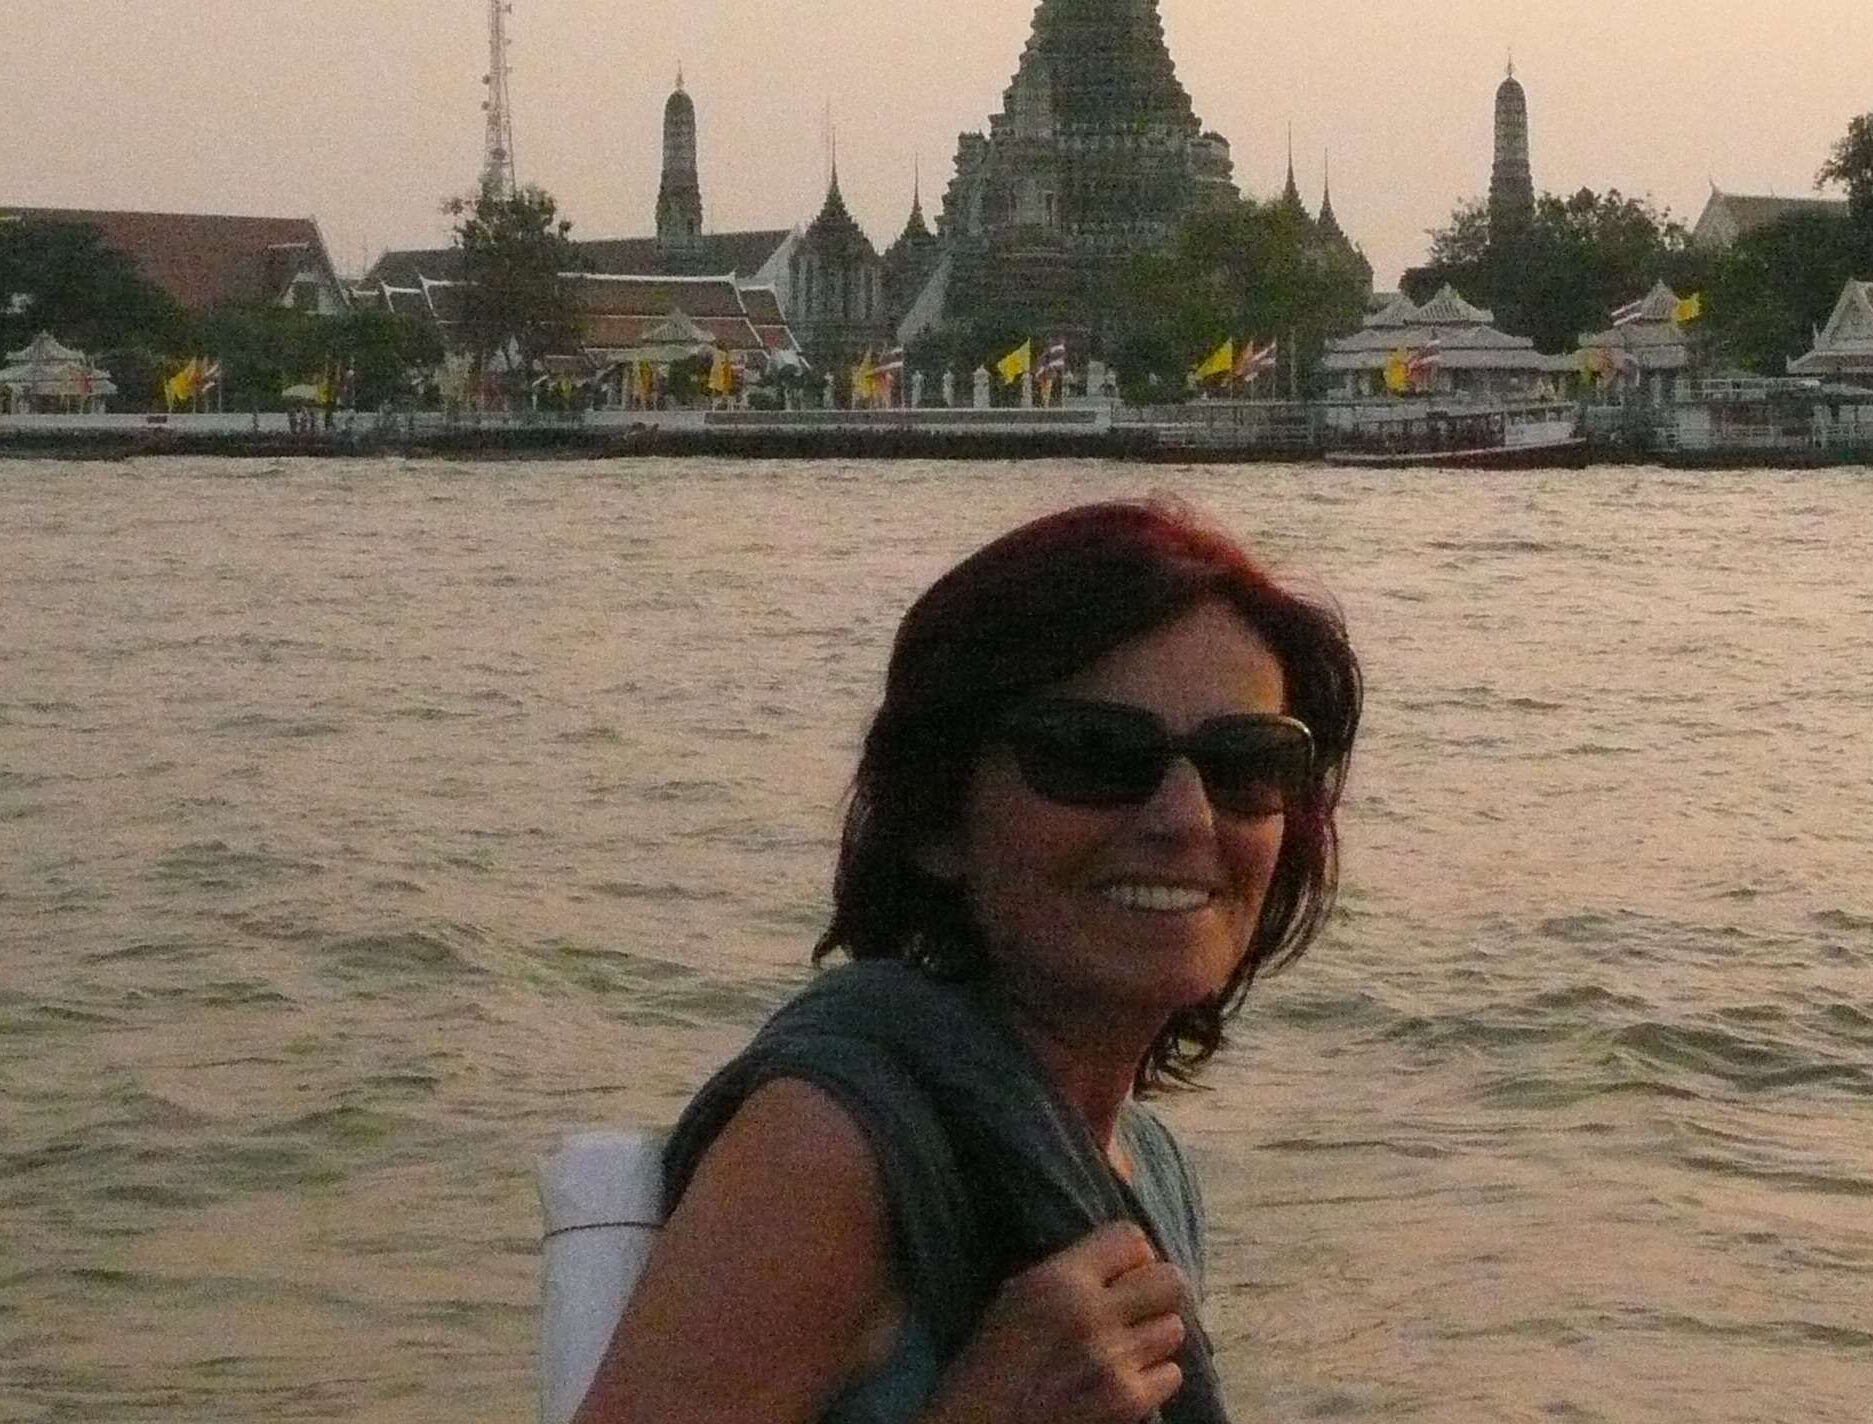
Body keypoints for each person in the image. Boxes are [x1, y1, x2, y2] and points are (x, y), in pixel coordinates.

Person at [575, 499, 1361, 1424]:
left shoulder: (1144, 1165)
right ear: (940, 820)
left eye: (1247, 763)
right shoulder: (833, 1150)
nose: (1187, 819)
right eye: (1094, 753)